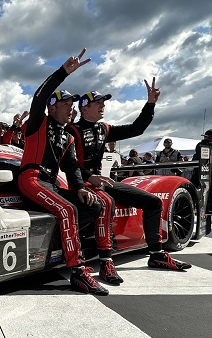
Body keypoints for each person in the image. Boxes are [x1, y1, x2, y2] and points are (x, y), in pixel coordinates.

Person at [67, 81, 192, 272]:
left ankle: (157, 254)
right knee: (106, 204)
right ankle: (105, 259)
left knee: (153, 202)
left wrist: (150, 104)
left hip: (101, 182)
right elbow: (68, 164)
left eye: (103, 103)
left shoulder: (104, 128)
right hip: (79, 184)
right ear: (84, 108)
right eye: (98, 103)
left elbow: (136, 129)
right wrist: (88, 177)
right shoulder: (71, 130)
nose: (103, 106)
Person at [17, 50, 109, 294]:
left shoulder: (68, 137)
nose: (71, 108)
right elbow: (39, 96)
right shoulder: (38, 122)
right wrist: (63, 73)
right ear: (52, 107)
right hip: (31, 179)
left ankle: (60, 243)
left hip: (51, 185)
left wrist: (79, 189)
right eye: (66, 104)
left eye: (72, 105)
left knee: (94, 205)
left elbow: (72, 168)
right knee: (67, 209)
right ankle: (77, 272)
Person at [192, 130, 212, 213]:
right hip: (208, 171)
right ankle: (208, 207)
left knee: (200, 189)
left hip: (200, 170)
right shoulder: (210, 144)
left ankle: (199, 207)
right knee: (209, 190)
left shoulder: (199, 145)